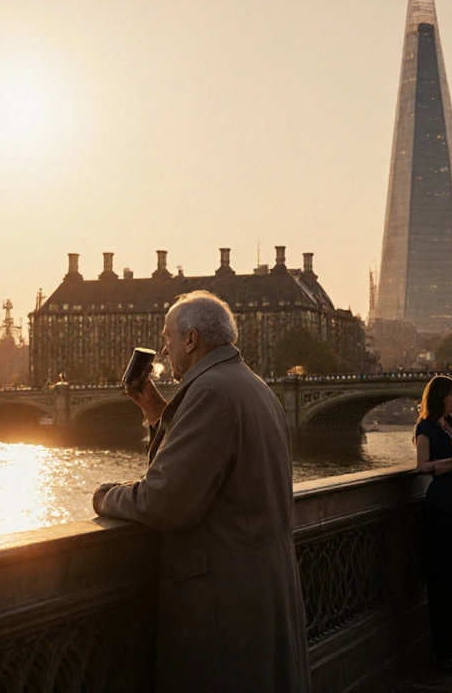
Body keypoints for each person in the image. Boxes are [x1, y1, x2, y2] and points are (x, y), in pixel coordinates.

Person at [92, 291, 311, 692]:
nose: (164, 349)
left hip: (222, 602)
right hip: (263, 589)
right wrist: (157, 412)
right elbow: (214, 465)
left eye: (168, 338)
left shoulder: (211, 392)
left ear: (191, 340)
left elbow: (166, 501)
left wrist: (107, 496)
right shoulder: (253, 386)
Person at [413, 375, 452, 672]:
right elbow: (422, 466)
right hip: (441, 506)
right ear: (439, 396)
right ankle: (442, 653)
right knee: (443, 582)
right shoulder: (424, 428)